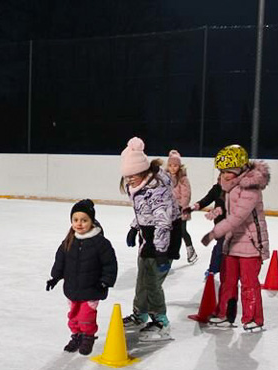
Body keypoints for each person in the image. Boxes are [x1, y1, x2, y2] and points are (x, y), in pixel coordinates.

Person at [199, 145, 270, 332]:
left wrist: (214, 233)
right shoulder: (230, 188)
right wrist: (217, 211)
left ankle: (254, 318)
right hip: (232, 242)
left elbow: (238, 216)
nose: (224, 175)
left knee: (249, 283)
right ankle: (224, 315)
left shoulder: (251, 188)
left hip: (251, 243)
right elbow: (229, 210)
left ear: (240, 168)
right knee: (227, 280)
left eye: (228, 171)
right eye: (222, 171)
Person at [121, 137, 181, 341]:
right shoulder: (139, 186)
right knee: (142, 278)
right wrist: (134, 227)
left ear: (144, 171)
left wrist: (161, 252)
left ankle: (161, 322)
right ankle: (140, 315)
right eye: (127, 175)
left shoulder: (156, 189)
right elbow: (143, 212)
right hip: (148, 236)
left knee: (153, 282)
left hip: (165, 237)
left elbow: (162, 222)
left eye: (133, 175)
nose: (129, 179)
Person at [46, 199, 118, 356]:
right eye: (75, 220)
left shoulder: (100, 243)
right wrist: (55, 277)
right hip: (72, 288)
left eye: (84, 220)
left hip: (92, 288)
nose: (79, 224)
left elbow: (110, 264)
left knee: (86, 316)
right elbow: (60, 261)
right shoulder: (69, 241)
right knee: (73, 316)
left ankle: (88, 337)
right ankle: (77, 335)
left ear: (92, 222)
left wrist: (105, 282)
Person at [185, 175, 226, 278]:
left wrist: (220, 210)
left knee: (229, 248)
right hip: (220, 223)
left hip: (234, 223)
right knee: (220, 246)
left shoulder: (234, 190)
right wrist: (194, 207)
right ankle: (213, 269)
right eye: (219, 179)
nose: (221, 181)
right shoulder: (216, 189)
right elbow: (207, 199)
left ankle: (232, 271)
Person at [166, 150, 197, 263]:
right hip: (169, 210)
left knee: (182, 231)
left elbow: (186, 194)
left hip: (181, 210)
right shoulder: (165, 178)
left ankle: (190, 250)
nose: (173, 168)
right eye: (170, 165)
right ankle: (169, 253)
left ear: (179, 166)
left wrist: (182, 206)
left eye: (175, 165)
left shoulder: (183, 179)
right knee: (169, 231)